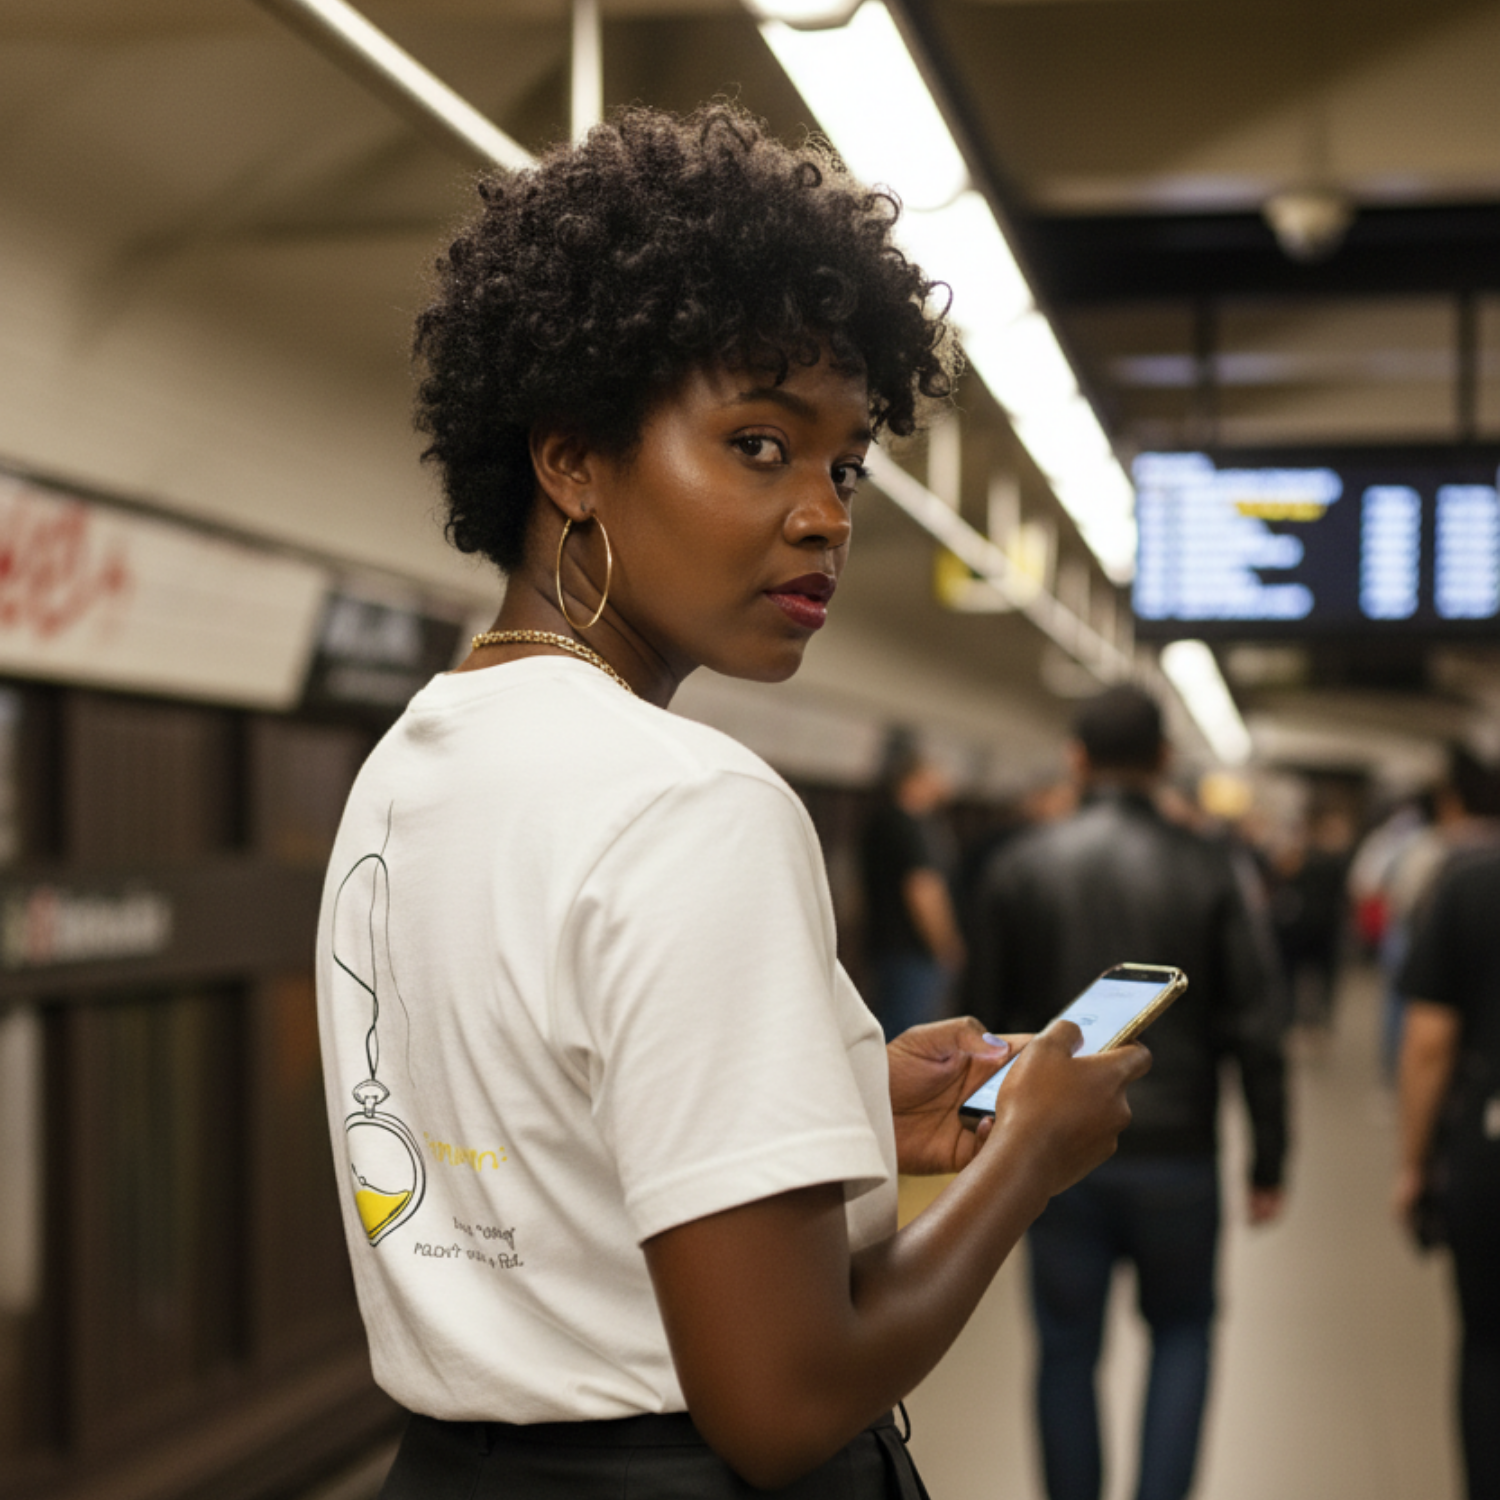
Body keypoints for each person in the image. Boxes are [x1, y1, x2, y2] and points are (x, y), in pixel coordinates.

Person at [315, 104, 1149, 1500]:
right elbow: (780, 1402)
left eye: (844, 462)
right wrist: (1032, 1162)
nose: (825, 511)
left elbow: (551, 1157)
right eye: (760, 443)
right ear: (570, 458)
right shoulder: (691, 801)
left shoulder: (408, 768)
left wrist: (837, 1116)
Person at [971, 685, 1288, 1500]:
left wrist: (984, 1145)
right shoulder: (1213, 866)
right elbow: (1254, 1022)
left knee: (1066, 1348)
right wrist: (1269, 1158)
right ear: (1164, 762)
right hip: (1177, 1151)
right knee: (1182, 1334)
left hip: (1050, 1157)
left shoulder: (1018, 865)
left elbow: (979, 1026)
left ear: (1076, 758)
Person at [1395, 831, 1500, 1500]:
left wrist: (1413, 1163)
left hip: (1490, 1149)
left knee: (1488, 1350)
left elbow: (1430, 1044)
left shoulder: (1470, 884)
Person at [859, 734, 966, 1038]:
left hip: (883, 944)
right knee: (908, 1033)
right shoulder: (914, 826)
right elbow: (923, 889)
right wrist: (945, 944)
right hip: (913, 952)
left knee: (887, 1024)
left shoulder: (880, 822)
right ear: (919, 776)